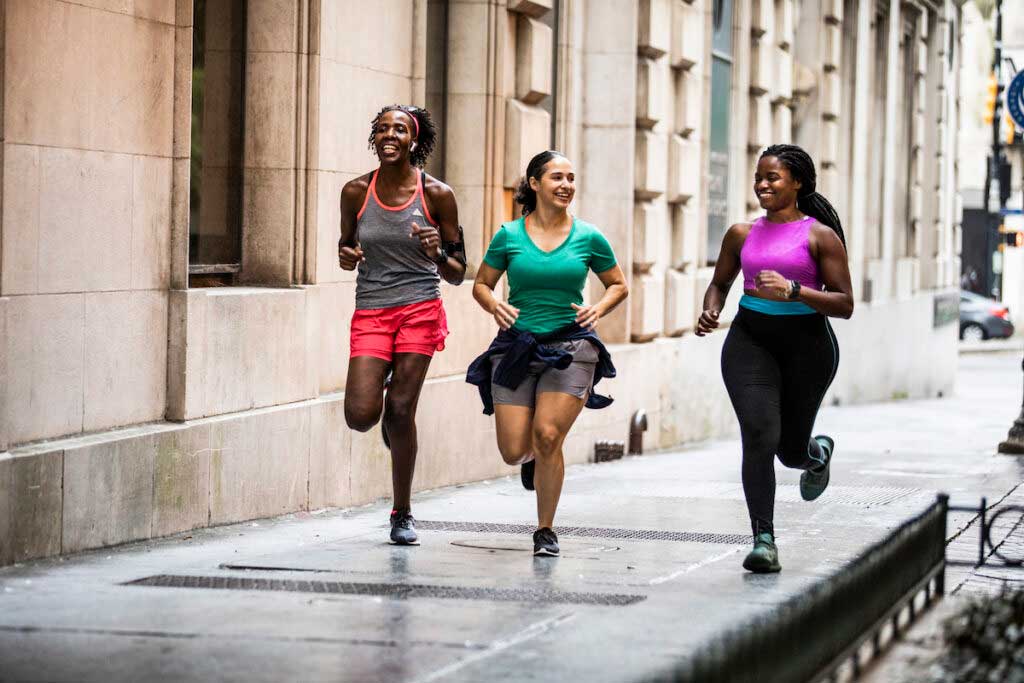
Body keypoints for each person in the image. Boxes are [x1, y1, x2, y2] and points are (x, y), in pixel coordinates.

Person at [696, 144, 854, 574]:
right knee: (760, 436)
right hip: (750, 342)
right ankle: (763, 539)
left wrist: (795, 291)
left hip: (808, 347)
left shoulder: (820, 236)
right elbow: (720, 283)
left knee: (789, 451)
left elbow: (845, 304)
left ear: (797, 182)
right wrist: (711, 309)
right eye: (759, 177)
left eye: (773, 178)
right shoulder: (740, 234)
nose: (762, 185)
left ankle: (816, 453)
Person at [467, 150, 628, 557]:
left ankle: (545, 530)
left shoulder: (589, 237)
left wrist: (599, 308)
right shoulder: (509, 235)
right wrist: (493, 305)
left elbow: (618, 284)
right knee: (513, 449)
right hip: (517, 347)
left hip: (571, 347)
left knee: (549, 435)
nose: (566, 185)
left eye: (571, 178)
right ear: (535, 183)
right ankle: (532, 460)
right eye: (557, 177)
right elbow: (481, 283)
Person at [338, 105, 467, 546]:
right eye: (381, 129)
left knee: (399, 411)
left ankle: (402, 511)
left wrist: (436, 252)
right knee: (359, 416)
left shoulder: (437, 195)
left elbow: (457, 271)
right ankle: (388, 400)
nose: (388, 135)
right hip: (372, 309)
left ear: (413, 140)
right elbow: (346, 245)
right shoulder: (356, 192)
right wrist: (346, 256)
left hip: (419, 309)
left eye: (398, 129)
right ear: (373, 138)